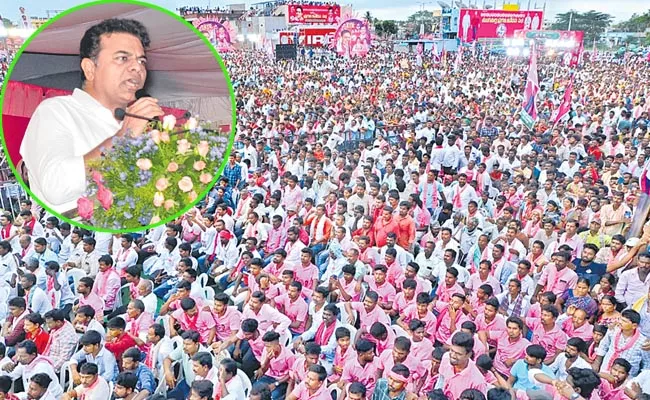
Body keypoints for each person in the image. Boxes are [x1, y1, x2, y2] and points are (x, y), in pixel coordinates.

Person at [20, 18, 164, 212]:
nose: (137, 68)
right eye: (123, 58)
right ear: (89, 68)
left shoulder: (136, 124)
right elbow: (55, 186)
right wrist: (123, 138)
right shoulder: (56, 111)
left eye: (141, 61)